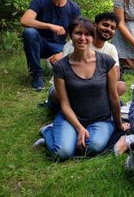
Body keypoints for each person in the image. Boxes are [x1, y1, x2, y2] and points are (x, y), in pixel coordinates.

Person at [34, 17, 128, 160]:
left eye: (87, 34)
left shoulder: (106, 62)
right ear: (71, 35)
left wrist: (119, 125)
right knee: (62, 153)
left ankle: (72, 135)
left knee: (92, 147)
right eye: (78, 33)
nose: (82, 38)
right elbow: (64, 104)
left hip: (101, 119)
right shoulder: (61, 67)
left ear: (93, 36)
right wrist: (79, 128)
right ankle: (49, 131)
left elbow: (113, 97)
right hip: (71, 118)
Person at [45, 12, 127, 112]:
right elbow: (66, 74)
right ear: (95, 25)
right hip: (70, 87)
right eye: (105, 25)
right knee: (56, 93)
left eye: (112, 28)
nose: (108, 29)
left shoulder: (111, 48)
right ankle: (81, 109)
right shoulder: (79, 42)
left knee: (121, 86)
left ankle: (89, 107)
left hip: (95, 88)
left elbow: (116, 76)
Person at [20, 0, 81, 90]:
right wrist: (50, 26)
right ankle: (36, 74)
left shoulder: (74, 8)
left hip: (59, 46)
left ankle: (59, 64)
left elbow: (79, 35)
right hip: (39, 44)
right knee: (29, 32)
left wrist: (64, 53)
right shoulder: (40, 1)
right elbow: (24, 21)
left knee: (70, 70)